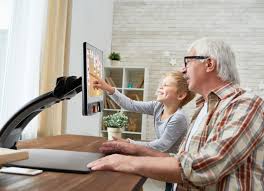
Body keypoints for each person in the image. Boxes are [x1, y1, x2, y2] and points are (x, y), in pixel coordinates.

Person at [87, 38, 264, 191]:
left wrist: (124, 162)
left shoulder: (245, 104)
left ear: (209, 64)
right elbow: (181, 160)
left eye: (187, 62)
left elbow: (202, 168)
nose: (183, 69)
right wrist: (135, 149)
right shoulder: (203, 108)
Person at [91, 70, 195, 153]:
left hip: (175, 163)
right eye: (161, 84)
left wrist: (128, 142)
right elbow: (130, 105)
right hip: (163, 157)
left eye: (166, 85)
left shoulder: (179, 118)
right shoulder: (158, 106)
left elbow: (161, 145)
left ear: (180, 95)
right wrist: (108, 88)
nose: (160, 87)